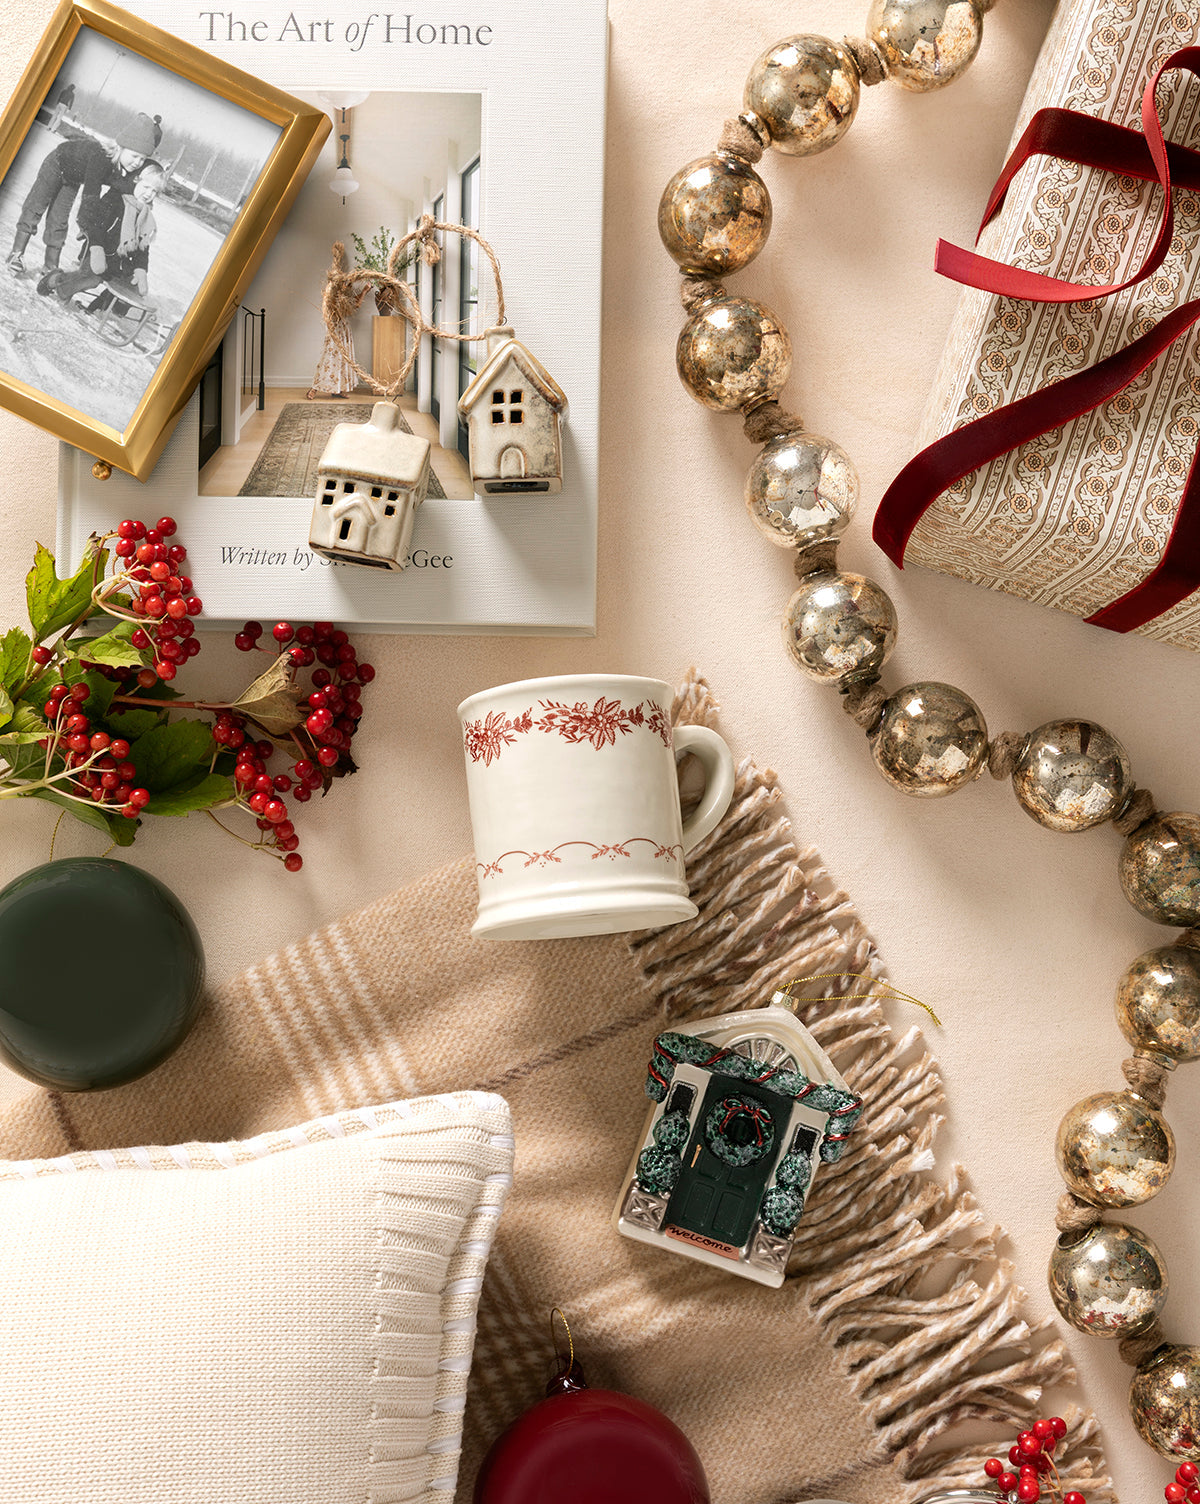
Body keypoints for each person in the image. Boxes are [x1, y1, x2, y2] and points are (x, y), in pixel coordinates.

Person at [7, 114, 157, 275]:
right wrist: (88, 224)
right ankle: (17, 253)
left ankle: (50, 266)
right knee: (35, 207)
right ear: (120, 148)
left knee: (59, 219)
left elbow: (142, 178)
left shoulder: (126, 170)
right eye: (134, 156)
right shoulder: (101, 158)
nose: (137, 163)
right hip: (57, 163)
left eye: (142, 159)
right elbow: (91, 196)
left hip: (73, 178)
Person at [43, 160, 163, 308]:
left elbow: (143, 246)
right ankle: (58, 281)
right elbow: (96, 225)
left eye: (154, 191)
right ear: (135, 180)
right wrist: (97, 249)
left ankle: (99, 307)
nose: (148, 194)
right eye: (146, 187)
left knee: (134, 289)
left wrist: (141, 269)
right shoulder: (116, 199)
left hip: (119, 263)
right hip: (96, 252)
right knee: (93, 278)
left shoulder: (145, 215)